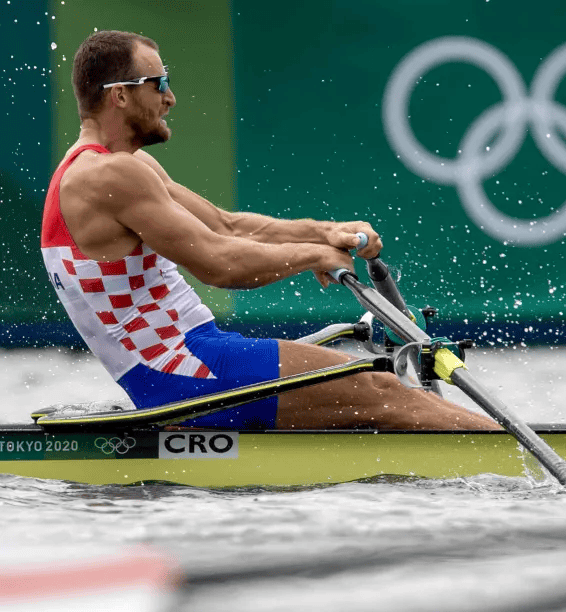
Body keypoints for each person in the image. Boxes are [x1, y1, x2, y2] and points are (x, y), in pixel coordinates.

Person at [43, 30, 497, 431]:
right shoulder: (106, 177)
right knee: (384, 391)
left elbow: (227, 225)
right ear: (119, 95)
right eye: (159, 83)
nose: (171, 97)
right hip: (185, 371)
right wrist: (314, 257)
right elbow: (219, 265)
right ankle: (510, 466)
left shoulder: (119, 167)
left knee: (371, 395)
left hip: (188, 363)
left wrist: (326, 233)